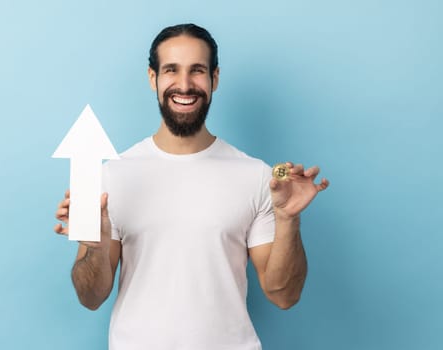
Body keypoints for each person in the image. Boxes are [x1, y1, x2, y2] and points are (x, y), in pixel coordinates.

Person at [54, 23, 329, 350]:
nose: (184, 85)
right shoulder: (112, 176)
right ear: (152, 78)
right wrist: (95, 247)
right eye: (171, 70)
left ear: (214, 79)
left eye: (197, 71)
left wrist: (288, 219)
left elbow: (284, 295)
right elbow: (91, 296)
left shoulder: (256, 176)